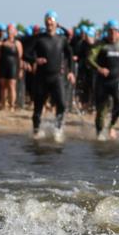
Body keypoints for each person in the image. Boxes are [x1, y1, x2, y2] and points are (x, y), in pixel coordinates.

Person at [29, 10, 74, 140]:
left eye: (51, 21)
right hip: (41, 77)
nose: (49, 23)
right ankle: (36, 131)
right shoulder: (39, 38)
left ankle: (58, 129)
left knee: (62, 104)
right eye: (47, 20)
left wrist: (70, 71)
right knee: (38, 106)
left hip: (57, 77)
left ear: (56, 23)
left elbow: (69, 54)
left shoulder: (62, 39)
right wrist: (35, 60)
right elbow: (26, 53)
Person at [87, 19, 119, 140]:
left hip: (116, 81)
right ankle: (99, 135)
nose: (112, 33)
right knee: (101, 110)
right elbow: (90, 59)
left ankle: (111, 125)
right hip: (102, 82)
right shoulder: (100, 44)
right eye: (110, 31)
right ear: (107, 32)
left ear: (118, 32)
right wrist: (99, 68)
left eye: (115, 31)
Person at [0, 24, 23, 112]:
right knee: (3, 86)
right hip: (3, 65)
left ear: (15, 32)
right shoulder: (2, 42)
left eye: (11, 31)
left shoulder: (17, 43)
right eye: (8, 31)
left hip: (13, 66)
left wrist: (20, 69)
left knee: (12, 85)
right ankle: (3, 104)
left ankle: (12, 105)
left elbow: (20, 58)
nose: (9, 32)